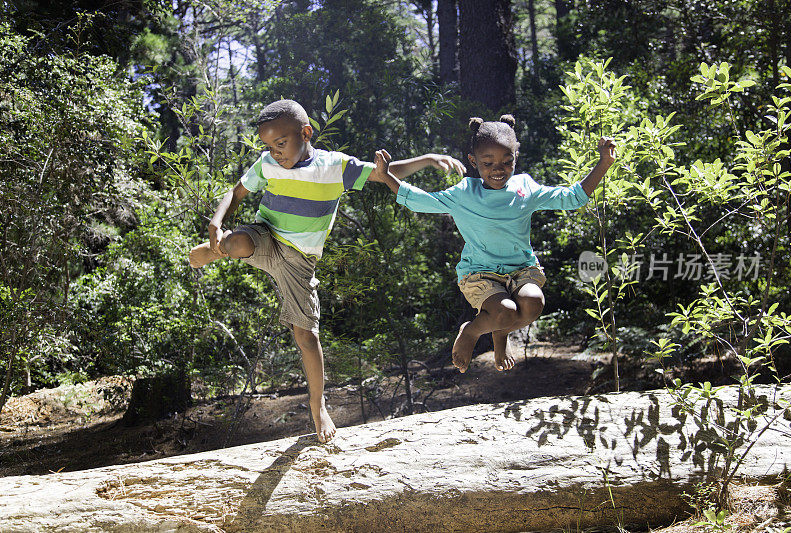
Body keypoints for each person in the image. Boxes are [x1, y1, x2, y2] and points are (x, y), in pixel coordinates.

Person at [188, 99, 465, 443]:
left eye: (280, 144)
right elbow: (237, 192)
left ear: (305, 133)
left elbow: (382, 175)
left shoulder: (334, 167)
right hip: (266, 236)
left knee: (306, 337)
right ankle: (222, 246)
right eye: (268, 146)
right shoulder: (267, 164)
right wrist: (217, 222)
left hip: (300, 260)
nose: (274, 153)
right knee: (239, 244)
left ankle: (317, 405)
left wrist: (427, 159)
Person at [372, 114, 616, 374]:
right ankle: (471, 331)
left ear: (515, 158)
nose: (497, 169)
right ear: (473, 162)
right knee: (504, 311)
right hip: (480, 273)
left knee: (534, 304)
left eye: (506, 162)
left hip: (522, 269)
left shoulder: (526, 188)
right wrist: (386, 176)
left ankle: (500, 334)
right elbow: (422, 200)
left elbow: (572, 197)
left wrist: (603, 163)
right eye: (488, 163)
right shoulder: (465, 193)